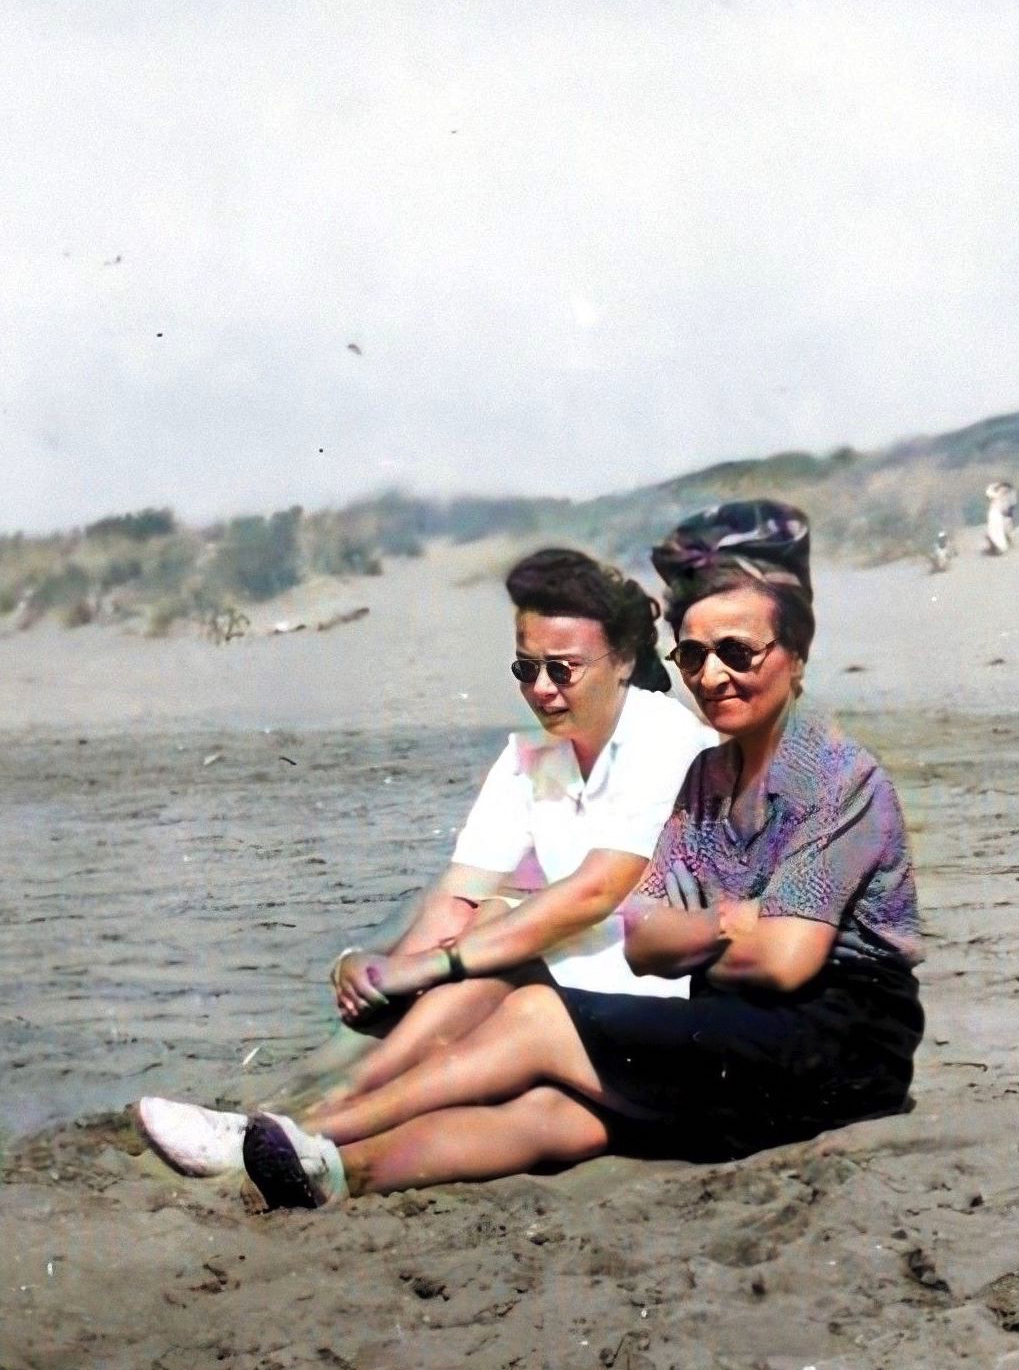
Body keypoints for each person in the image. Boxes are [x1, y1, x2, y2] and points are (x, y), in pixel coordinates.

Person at [234, 499, 926, 1210]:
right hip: (734, 1031)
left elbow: (784, 962)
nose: (713, 675)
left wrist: (705, 930)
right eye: (693, 655)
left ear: (797, 656)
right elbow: (645, 943)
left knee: (539, 1016)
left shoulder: (835, 775)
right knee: (558, 1115)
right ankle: (338, 1171)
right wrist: (732, 921)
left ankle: (316, 1128)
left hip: (841, 1047)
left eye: (738, 652)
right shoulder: (706, 779)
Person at [135, 546, 716, 1178]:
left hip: (648, 995)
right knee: (474, 932)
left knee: (497, 949)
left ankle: (297, 1119)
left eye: (563, 669)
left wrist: (431, 964)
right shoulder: (530, 754)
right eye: (526, 669)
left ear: (623, 660)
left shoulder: (667, 739)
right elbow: (462, 891)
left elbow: (594, 893)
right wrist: (381, 971)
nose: (542, 689)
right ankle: (281, 1112)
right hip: (557, 983)